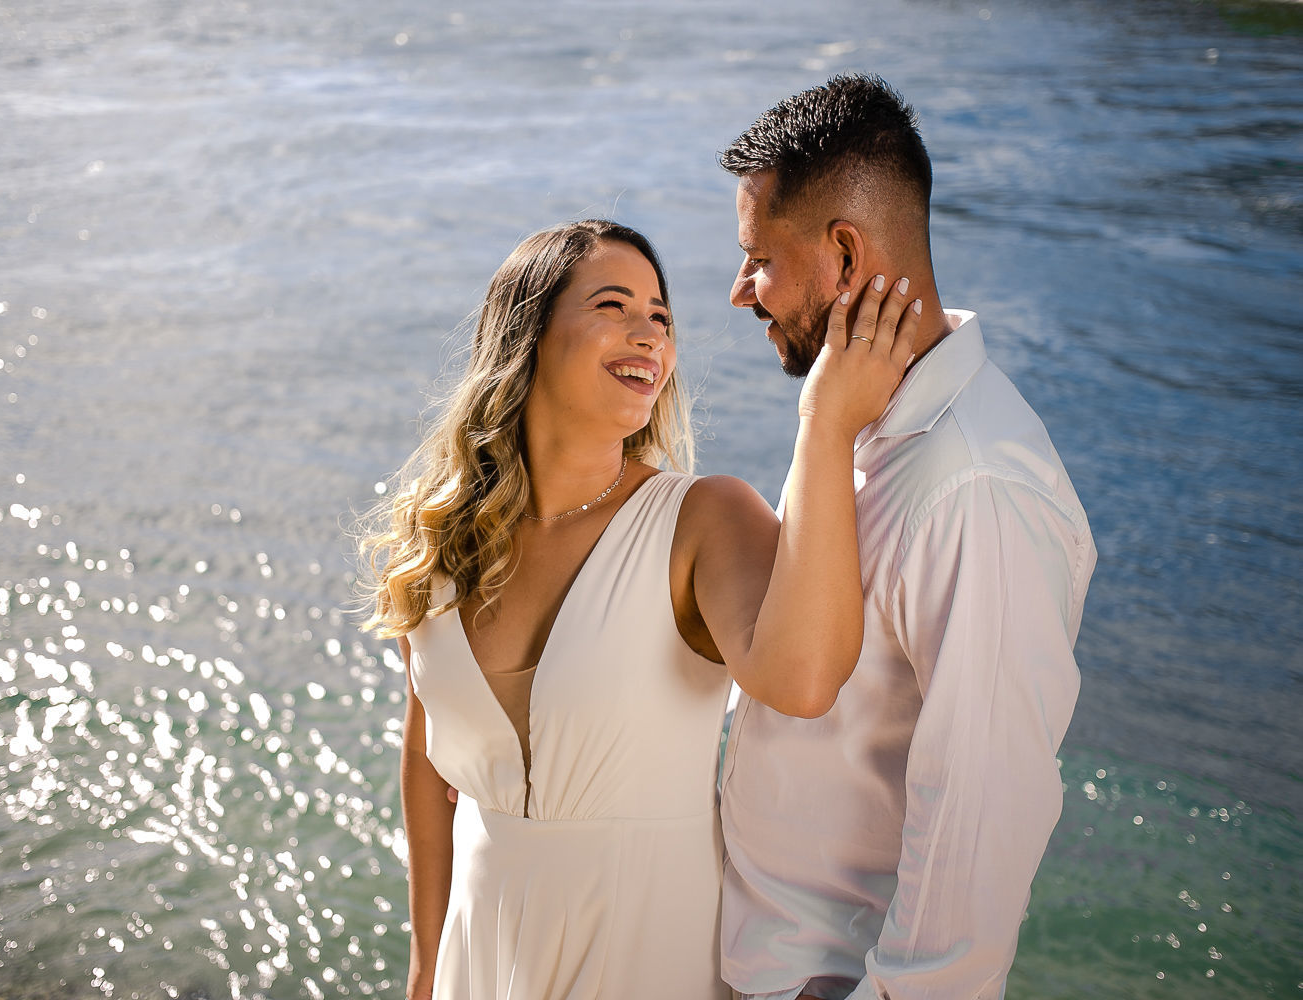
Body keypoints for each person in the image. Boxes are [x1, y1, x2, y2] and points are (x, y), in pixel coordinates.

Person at [359, 218, 917, 999]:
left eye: (660, 316)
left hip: (648, 949)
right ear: (529, 335)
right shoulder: (443, 542)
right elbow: (427, 755)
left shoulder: (701, 519)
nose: (649, 333)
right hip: (479, 953)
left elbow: (804, 679)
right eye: (615, 306)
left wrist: (824, 424)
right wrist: (424, 967)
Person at [717, 75, 1097, 1000]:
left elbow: (986, 803)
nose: (740, 293)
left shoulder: (976, 489)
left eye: (759, 259)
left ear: (844, 256)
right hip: (752, 954)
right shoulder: (856, 422)